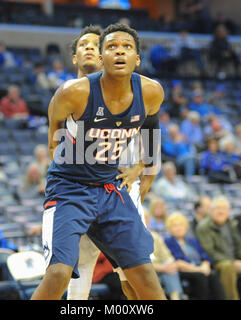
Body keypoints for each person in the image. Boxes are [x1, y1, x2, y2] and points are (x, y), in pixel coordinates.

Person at [31, 23, 166, 300]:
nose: (120, 52)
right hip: (71, 187)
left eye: (127, 47)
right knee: (59, 274)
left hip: (112, 187)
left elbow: (151, 133)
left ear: (137, 59)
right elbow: (54, 131)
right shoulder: (73, 92)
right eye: (112, 47)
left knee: (144, 279)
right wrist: (67, 149)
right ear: (101, 58)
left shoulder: (151, 92)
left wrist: (141, 168)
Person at [64, 25, 156, 301]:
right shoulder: (69, 94)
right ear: (75, 57)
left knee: (134, 274)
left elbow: (152, 147)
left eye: (96, 44)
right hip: (81, 194)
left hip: (118, 192)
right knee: (78, 275)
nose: (90, 47)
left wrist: (139, 174)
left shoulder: (131, 92)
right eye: (84, 44)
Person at [165, 212, 225, 300]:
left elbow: (204, 255)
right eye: (175, 226)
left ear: (185, 226)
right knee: (201, 277)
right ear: (170, 228)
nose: (179, 228)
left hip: (199, 269)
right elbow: (178, 261)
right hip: (184, 270)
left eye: (181, 225)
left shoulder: (192, 241)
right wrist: (198, 269)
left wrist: (206, 264)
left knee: (213, 275)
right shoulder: (168, 242)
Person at [145, 213, 184, 300]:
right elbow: (140, 263)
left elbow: (167, 255)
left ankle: (175, 297)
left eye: (145, 219)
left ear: (148, 221)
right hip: (146, 270)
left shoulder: (155, 236)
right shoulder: (132, 237)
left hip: (161, 267)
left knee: (170, 269)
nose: (143, 221)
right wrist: (162, 268)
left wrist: (169, 264)